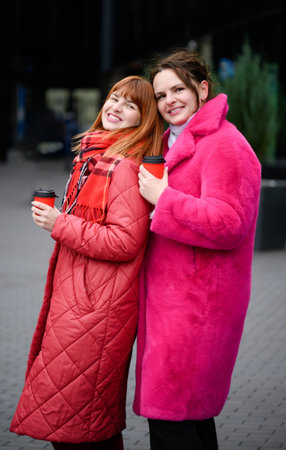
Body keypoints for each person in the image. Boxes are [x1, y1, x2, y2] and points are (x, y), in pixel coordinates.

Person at [10, 75, 163, 450]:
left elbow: (126, 241)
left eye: (131, 106)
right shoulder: (95, 158)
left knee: (79, 425)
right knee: (83, 422)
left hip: (96, 308)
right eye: (114, 98)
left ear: (142, 119)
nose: (116, 108)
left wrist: (59, 223)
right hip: (83, 301)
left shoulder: (123, 166)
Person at [134, 49, 261, 450]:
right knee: (189, 419)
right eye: (160, 94)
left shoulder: (225, 144)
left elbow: (230, 224)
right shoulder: (175, 141)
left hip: (197, 311)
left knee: (173, 421)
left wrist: (164, 198)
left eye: (178, 90)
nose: (169, 100)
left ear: (201, 89)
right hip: (172, 309)